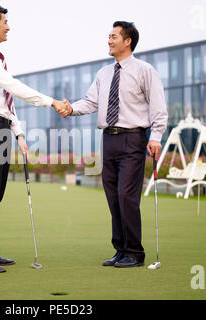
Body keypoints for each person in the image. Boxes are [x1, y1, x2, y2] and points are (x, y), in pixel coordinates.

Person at [60, 21, 168, 268]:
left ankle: (134, 253)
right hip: (108, 140)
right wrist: (70, 109)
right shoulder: (103, 74)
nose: (108, 40)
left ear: (127, 40)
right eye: (108, 36)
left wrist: (156, 136)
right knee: (113, 196)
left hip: (133, 139)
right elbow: (90, 102)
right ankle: (120, 250)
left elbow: (158, 107)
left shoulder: (145, 70)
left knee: (126, 196)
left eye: (113, 36)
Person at [0, 3, 67, 273]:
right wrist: (51, 102)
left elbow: (6, 101)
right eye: (5, 22)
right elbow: (13, 87)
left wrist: (19, 134)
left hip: (0, 128)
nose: (8, 26)